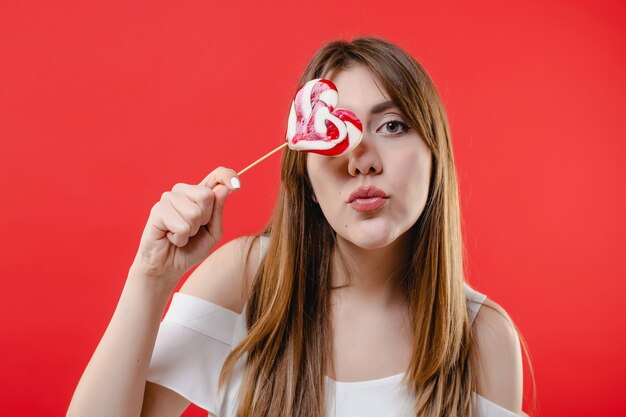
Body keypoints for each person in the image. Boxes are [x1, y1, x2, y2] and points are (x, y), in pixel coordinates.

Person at [67, 36, 534, 417]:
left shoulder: (484, 339)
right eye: (333, 130)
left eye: (392, 126)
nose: (361, 161)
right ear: (306, 180)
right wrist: (150, 280)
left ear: (436, 159)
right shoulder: (249, 280)